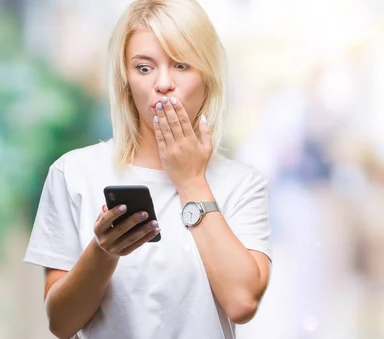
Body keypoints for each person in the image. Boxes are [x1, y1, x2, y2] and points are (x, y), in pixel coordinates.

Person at [23, 1, 272, 338]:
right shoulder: (74, 173)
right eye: (144, 68)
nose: (163, 83)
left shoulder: (241, 184)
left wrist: (191, 180)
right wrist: (103, 251)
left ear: (208, 76)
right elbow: (61, 324)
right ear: (125, 78)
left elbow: (242, 303)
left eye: (181, 65)